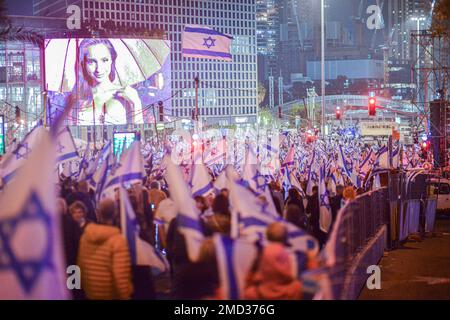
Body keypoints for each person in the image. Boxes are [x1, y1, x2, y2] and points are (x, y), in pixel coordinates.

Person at [70, 38, 143, 125]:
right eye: (91, 61)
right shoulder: (78, 98)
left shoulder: (127, 94)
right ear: (83, 64)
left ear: (112, 60)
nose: (99, 69)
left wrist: (136, 103)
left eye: (104, 60)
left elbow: (139, 134)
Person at [77, 198, 133, 300]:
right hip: (111, 295)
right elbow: (120, 275)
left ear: (99, 213)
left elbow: (80, 266)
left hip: (90, 293)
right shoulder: (118, 240)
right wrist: (126, 295)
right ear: (115, 213)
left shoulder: (85, 236)